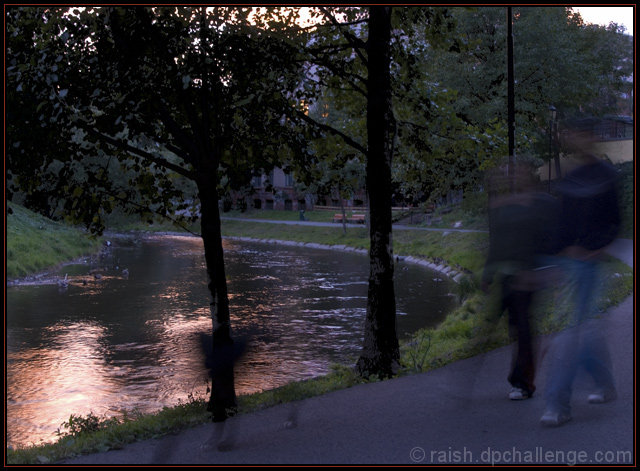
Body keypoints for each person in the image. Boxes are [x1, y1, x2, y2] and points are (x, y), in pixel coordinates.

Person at [540, 117, 621, 426]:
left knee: (570, 334)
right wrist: (555, 262)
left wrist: (594, 250)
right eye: (572, 136)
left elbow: (614, 222)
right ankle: (605, 384)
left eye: (582, 136)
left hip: (588, 265)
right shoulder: (571, 180)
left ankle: (557, 404)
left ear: (592, 139)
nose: (577, 141)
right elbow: (561, 226)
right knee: (582, 331)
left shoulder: (605, 176)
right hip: (568, 264)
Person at [481, 165, 561, 401]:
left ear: (530, 176)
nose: (515, 177)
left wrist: (544, 270)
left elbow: (552, 237)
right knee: (507, 327)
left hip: (528, 277)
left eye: (519, 173)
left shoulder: (543, 203)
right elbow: (496, 241)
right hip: (507, 276)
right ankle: (468, 383)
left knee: (523, 330)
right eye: (511, 174)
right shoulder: (504, 206)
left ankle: (523, 384)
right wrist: (488, 274)